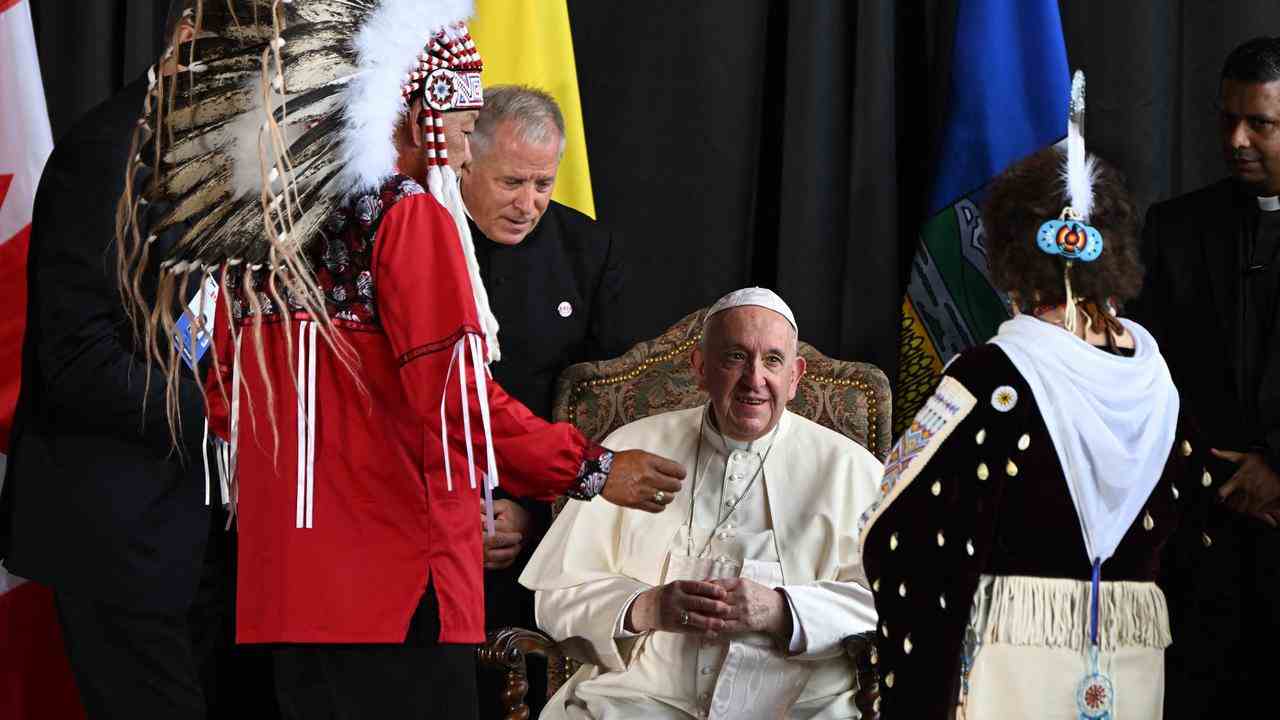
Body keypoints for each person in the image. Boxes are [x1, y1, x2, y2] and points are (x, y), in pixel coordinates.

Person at [112, 3, 685, 718]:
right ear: (422, 121)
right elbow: (456, 401)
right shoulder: (407, 216)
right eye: (467, 127)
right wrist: (590, 468)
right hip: (392, 583)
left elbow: (222, 389)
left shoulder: (271, 225)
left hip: (283, 580)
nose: (470, 151)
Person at [860, 78, 1223, 719]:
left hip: (1009, 666)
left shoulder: (991, 380)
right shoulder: (1158, 384)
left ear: (1009, 259)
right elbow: (1198, 536)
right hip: (1129, 667)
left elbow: (899, 533)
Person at [0, 14, 268, 717]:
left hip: (209, 532)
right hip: (121, 531)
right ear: (186, 38)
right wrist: (224, 412)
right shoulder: (105, 155)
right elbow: (77, 359)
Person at [521, 288, 882, 720]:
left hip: (796, 706)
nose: (754, 379)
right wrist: (645, 607)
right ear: (700, 368)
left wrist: (782, 610)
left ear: (795, 376)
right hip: (637, 701)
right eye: (734, 357)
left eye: (772, 360)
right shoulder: (630, 451)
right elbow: (556, 596)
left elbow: (890, 604)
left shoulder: (851, 470)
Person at [458, 85, 630, 719]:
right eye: (511, 182)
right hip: (428, 512)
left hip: (542, 526)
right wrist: (460, 509)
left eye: (542, 183)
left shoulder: (590, 251)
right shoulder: (421, 235)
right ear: (464, 160)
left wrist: (530, 510)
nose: (528, 203)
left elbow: (605, 408)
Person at [1130, 36, 1280, 718]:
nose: (1238, 139)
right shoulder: (1174, 229)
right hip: (1199, 534)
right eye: (1228, 120)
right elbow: (1140, 371)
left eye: (1261, 124)